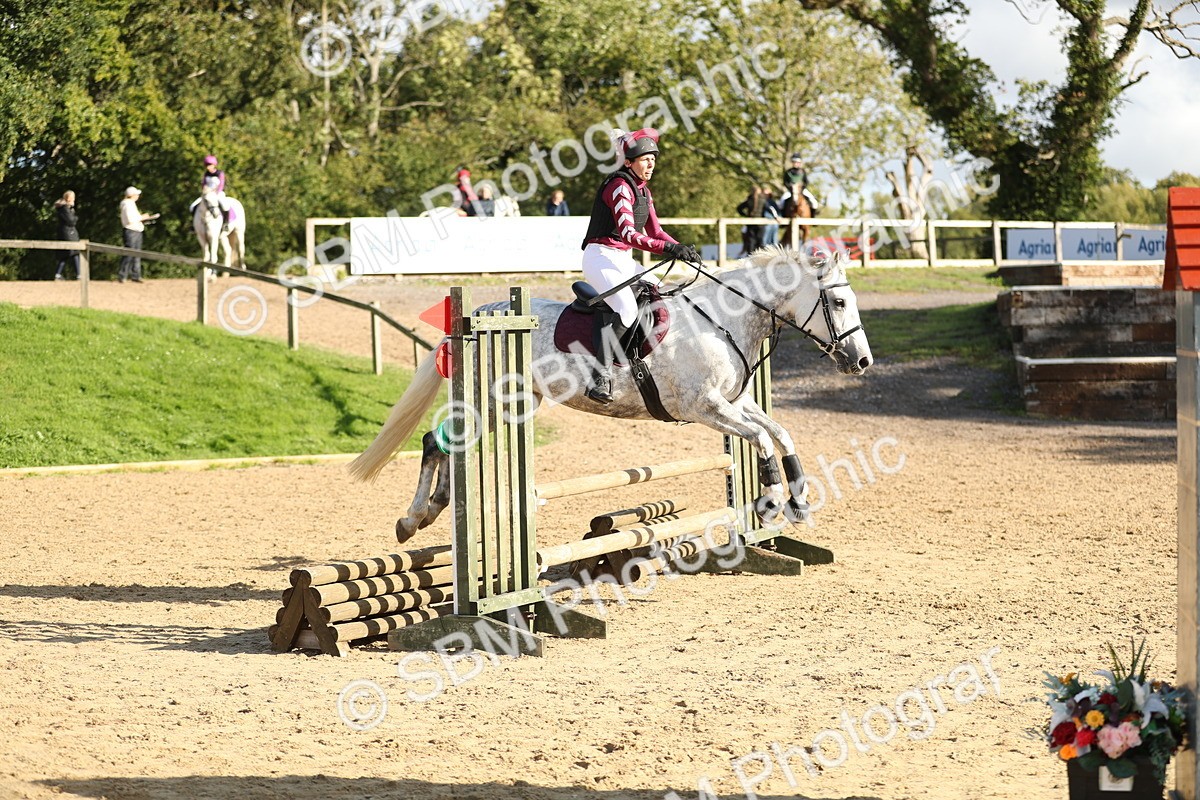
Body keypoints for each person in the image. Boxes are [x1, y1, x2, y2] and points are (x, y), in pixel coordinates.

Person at [580, 127, 700, 404]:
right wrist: (669, 249)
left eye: (654, 159)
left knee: (661, 294)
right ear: (628, 162)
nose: (651, 164)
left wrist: (681, 247)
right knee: (626, 307)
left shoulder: (643, 191)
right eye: (645, 159)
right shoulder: (619, 186)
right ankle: (599, 376)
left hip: (621, 259)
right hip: (600, 257)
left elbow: (656, 232)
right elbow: (629, 235)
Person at [118, 187, 158, 283]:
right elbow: (130, 219)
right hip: (131, 231)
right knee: (129, 253)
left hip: (136, 230)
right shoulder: (127, 204)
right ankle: (123, 275)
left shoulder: (131, 204)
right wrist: (142, 217)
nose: (138, 196)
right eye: (136, 194)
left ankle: (135, 275)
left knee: (137, 254)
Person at [197, 155, 232, 227]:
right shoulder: (206, 174)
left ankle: (226, 223)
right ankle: (195, 225)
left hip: (218, 193)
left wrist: (216, 192)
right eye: (207, 165)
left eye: (209, 165)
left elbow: (221, 184)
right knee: (193, 206)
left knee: (225, 206)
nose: (208, 167)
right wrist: (204, 191)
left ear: (214, 165)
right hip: (207, 194)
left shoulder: (219, 173)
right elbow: (203, 184)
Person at [53, 191, 81, 280]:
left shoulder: (66, 208)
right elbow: (71, 221)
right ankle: (79, 274)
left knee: (67, 254)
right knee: (73, 253)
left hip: (68, 233)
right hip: (68, 233)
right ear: (69, 198)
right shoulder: (64, 208)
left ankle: (58, 274)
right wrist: (76, 217)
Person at [736, 186, 765, 256]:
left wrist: (745, 215)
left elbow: (739, 208)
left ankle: (751, 257)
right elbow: (769, 209)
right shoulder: (763, 200)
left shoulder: (749, 200)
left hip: (750, 223)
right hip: (761, 223)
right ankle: (760, 257)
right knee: (760, 241)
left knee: (751, 241)